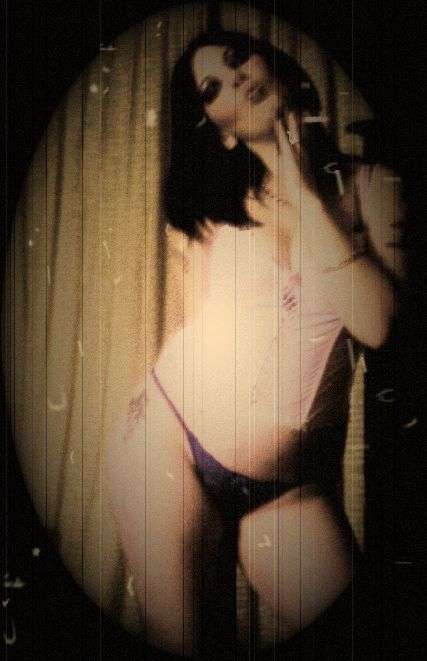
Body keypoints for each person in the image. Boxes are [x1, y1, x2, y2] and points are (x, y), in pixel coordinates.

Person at [105, 31, 406, 658]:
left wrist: (303, 188)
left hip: (287, 489)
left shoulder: (372, 187)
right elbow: (202, 326)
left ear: (274, 62)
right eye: (211, 88)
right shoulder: (222, 205)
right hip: (169, 439)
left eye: (237, 58)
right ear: (220, 130)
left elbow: (380, 324)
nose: (236, 79)